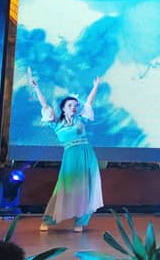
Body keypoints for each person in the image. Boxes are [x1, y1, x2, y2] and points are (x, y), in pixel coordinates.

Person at [29, 73, 103, 233]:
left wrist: (96, 86)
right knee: (64, 188)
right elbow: (45, 105)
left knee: (86, 188)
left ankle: (80, 221)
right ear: (63, 108)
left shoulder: (81, 120)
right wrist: (36, 88)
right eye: (70, 105)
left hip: (87, 154)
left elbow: (89, 102)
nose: (74, 107)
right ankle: (48, 219)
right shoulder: (56, 124)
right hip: (71, 155)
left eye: (75, 105)